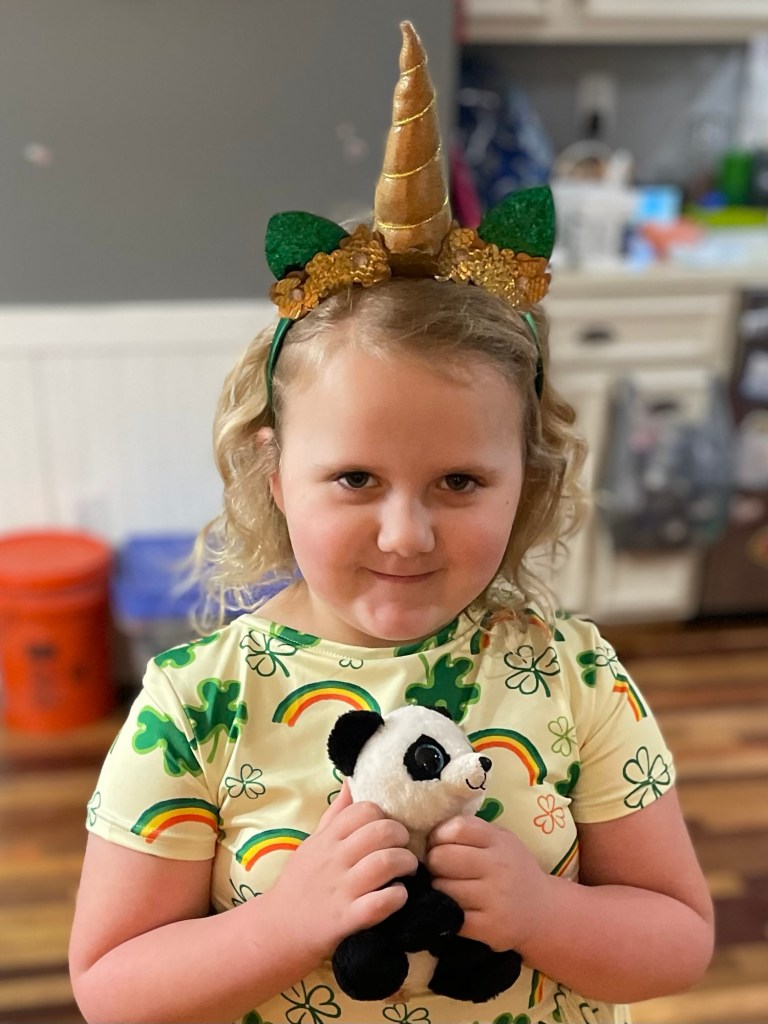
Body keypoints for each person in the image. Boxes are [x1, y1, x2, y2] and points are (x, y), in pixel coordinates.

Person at [68, 21, 713, 1024]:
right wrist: (288, 921)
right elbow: (112, 987)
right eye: (355, 477)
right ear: (276, 472)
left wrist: (544, 911)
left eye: (459, 481)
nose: (406, 533)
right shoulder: (197, 704)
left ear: (526, 480)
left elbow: (678, 939)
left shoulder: (577, 677)